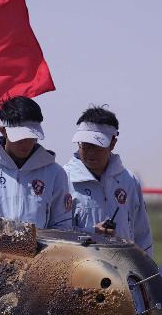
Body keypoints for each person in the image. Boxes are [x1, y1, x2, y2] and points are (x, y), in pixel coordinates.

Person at [0, 96, 73, 238]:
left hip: (37, 258)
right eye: (19, 137)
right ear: (3, 130)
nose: (26, 143)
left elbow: (62, 224)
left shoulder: (55, 173)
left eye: (32, 136)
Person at [63, 106, 153, 255]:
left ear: (112, 143)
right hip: (78, 269)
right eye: (85, 145)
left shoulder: (129, 181)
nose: (90, 153)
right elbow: (54, 232)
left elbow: (142, 234)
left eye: (97, 146)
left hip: (123, 269)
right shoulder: (63, 179)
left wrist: (146, 273)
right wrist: (91, 232)